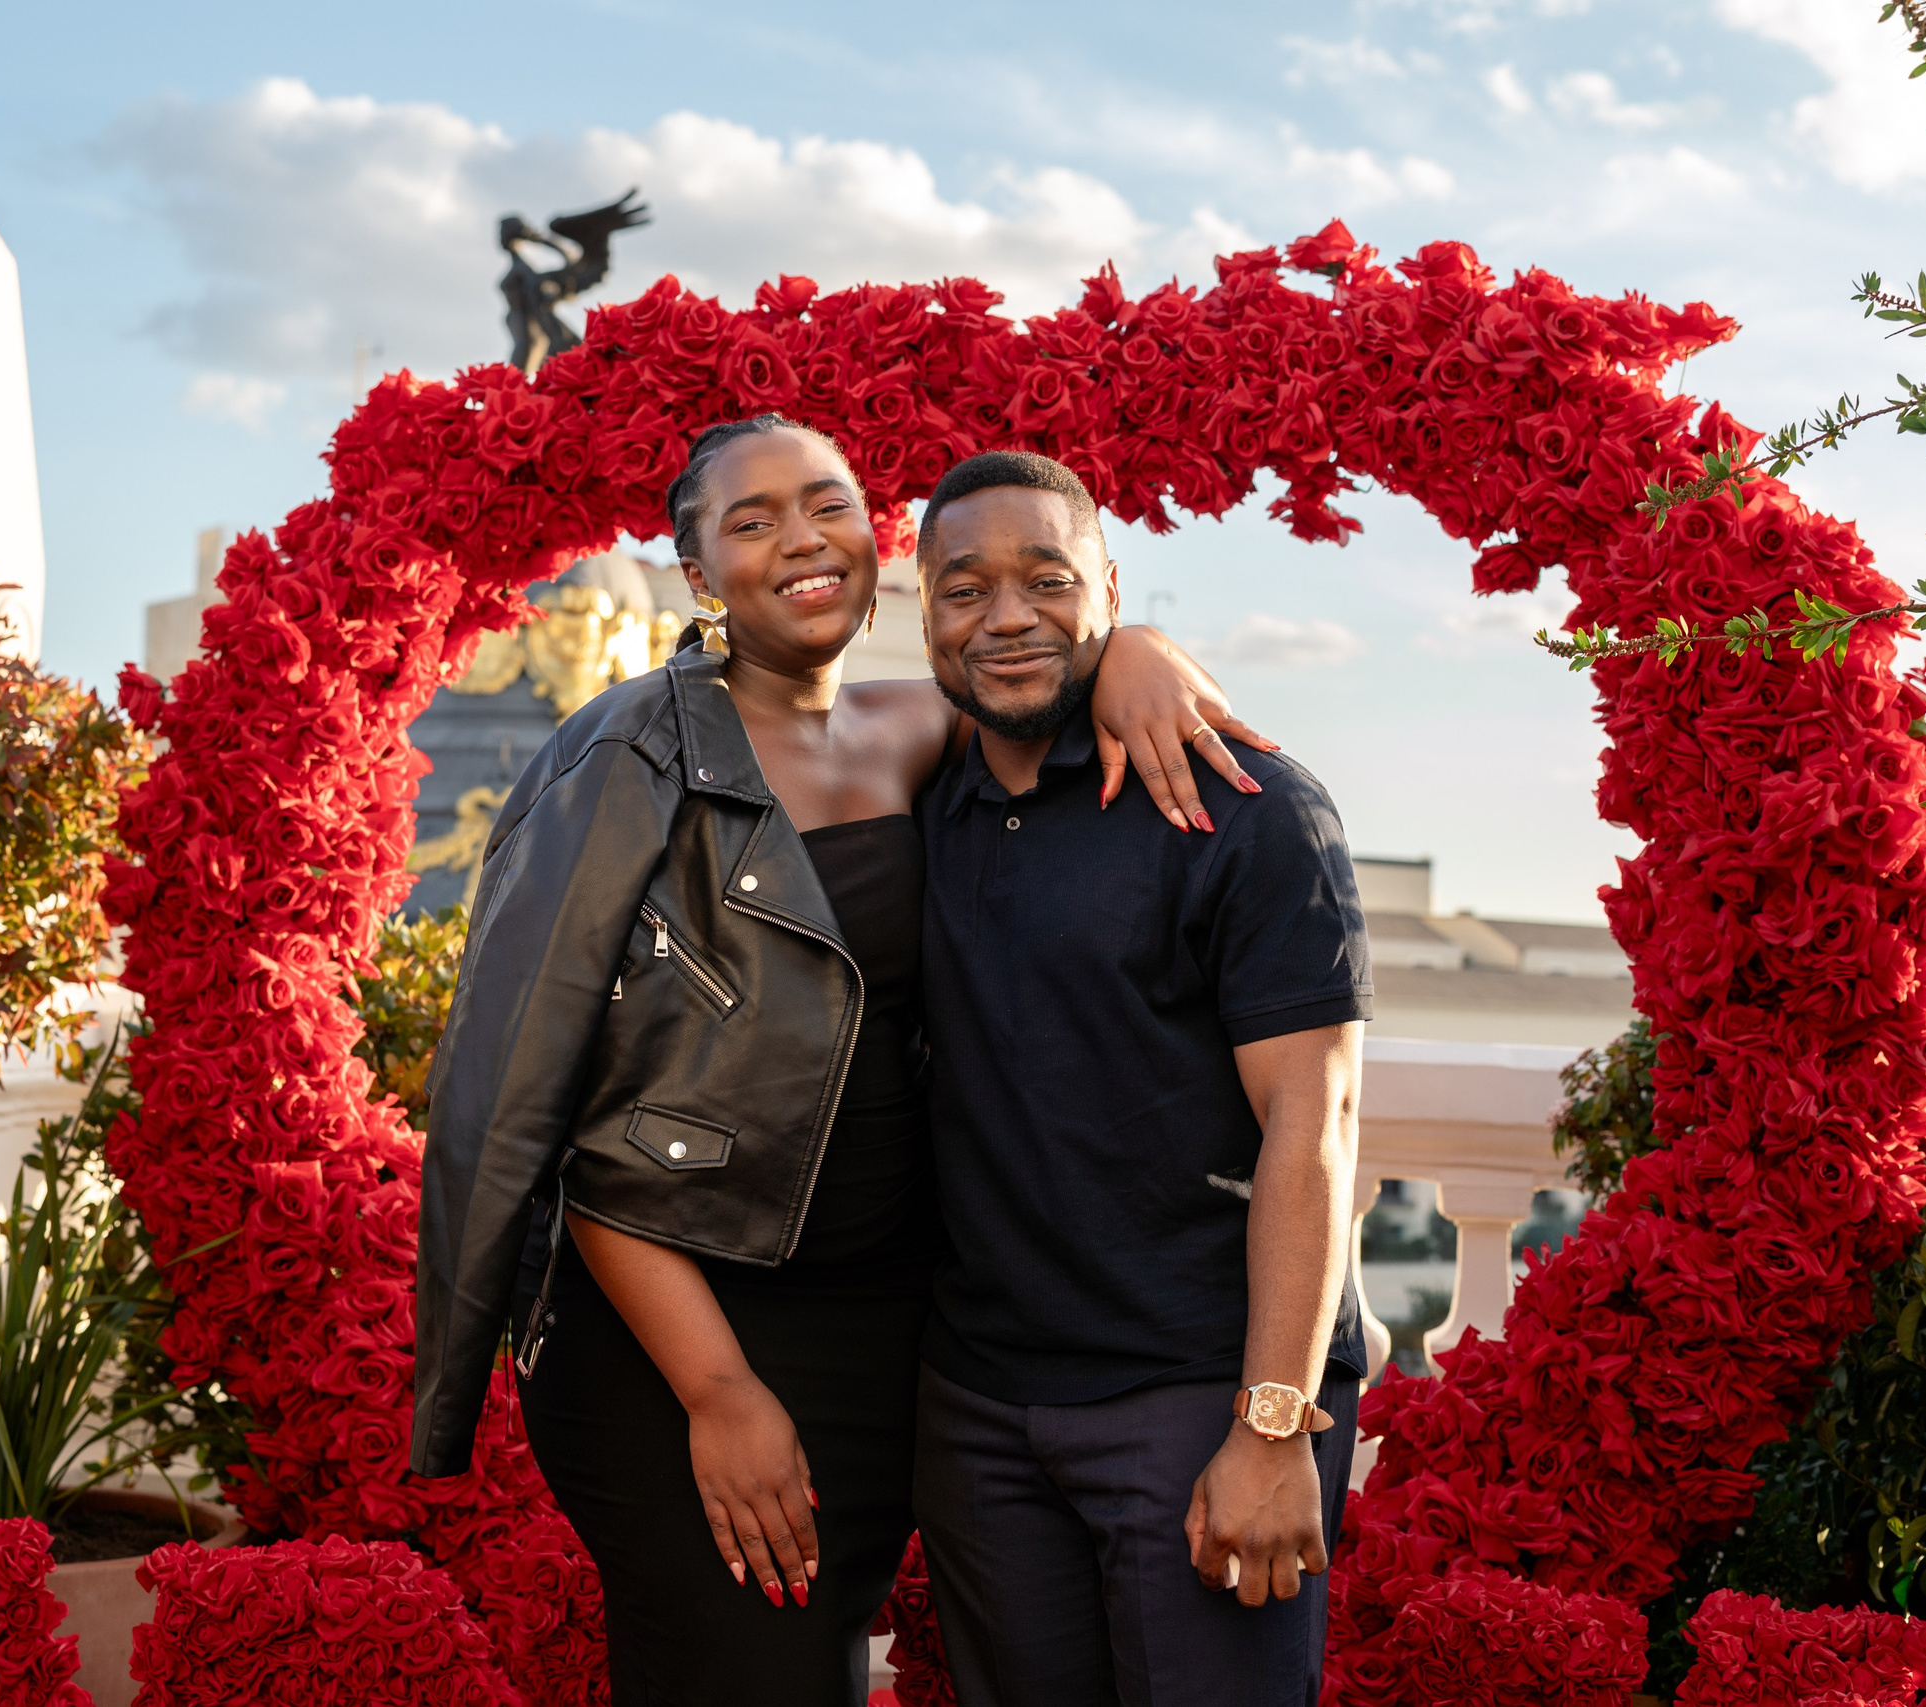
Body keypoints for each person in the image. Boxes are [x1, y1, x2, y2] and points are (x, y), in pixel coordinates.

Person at [410, 414, 1273, 1707]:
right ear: (697, 572)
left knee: (815, 1667)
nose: (800, 541)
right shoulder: (618, 761)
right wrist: (719, 1390)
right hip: (678, 1333)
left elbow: (1034, 658)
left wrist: (1135, 650)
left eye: (827, 505)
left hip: (883, 1328)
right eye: (750, 521)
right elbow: (561, 1109)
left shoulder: (918, 732)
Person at [908, 451, 1372, 1707]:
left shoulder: (1241, 805)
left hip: (1198, 1392)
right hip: (981, 1404)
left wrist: (1270, 1426)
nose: (1005, 615)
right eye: (965, 588)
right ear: (923, 609)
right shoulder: (917, 798)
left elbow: (1312, 1123)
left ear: (1107, 587)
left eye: (1046, 579)